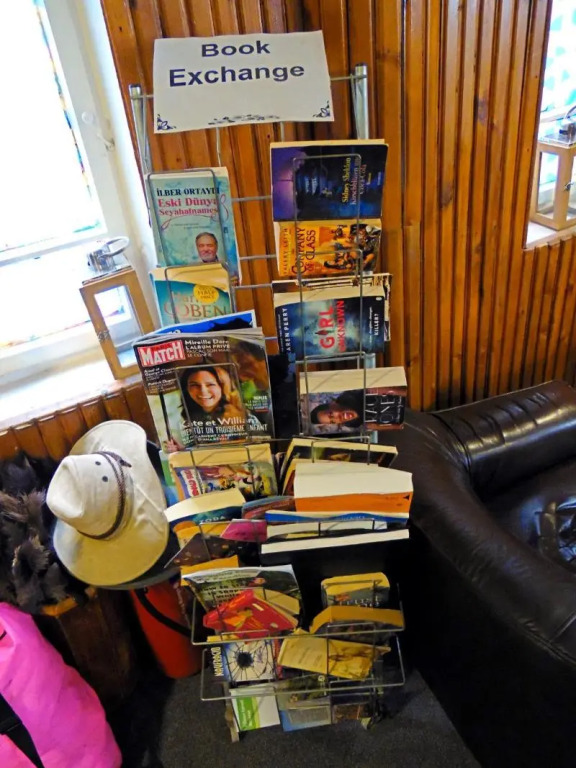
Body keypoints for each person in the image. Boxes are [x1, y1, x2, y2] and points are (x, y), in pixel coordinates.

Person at [163, 366, 245, 452]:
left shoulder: (240, 415)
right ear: (186, 389)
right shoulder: (188, 420)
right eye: (194, 385)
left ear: (222, 387)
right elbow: (195, 451)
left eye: (210, 384)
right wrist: (180, 450)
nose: (203, 391)